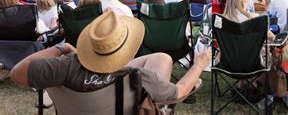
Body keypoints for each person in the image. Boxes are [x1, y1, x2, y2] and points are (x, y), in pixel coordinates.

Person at [10, 11, 211, 105]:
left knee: (162, 58)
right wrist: (199, 64)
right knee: (161, 67)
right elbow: (180, 92)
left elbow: (17, 72)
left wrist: (61, 48)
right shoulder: (138, 77)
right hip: (125, 99)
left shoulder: (65, 67)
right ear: (128, 46)